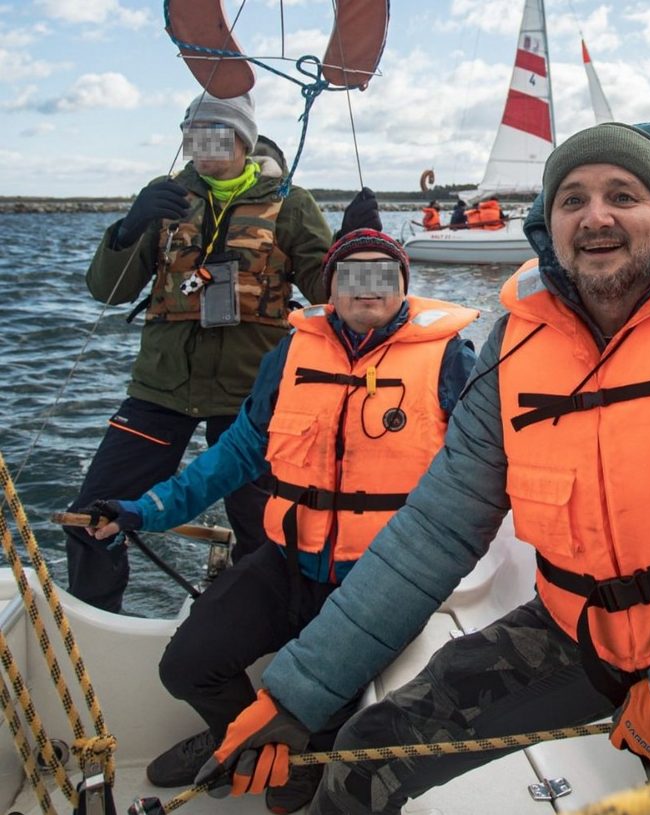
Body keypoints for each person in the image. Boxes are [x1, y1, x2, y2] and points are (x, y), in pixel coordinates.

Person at [192, 121, 650, 813]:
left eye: (623, 195)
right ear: (549, 223)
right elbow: (435, 530)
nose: (596, 215)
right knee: (363, 758)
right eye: (573, 199)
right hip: (576, 629)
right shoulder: (513, 345)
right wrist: (295, 695)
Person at [87, 228, 479, 813]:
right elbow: (237, 454)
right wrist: (146, 510)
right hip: (286, 560)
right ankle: (234, 738)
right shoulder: (293, 354)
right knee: (187, 666)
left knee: (331, 707)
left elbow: (489, 465)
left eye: (382, 275)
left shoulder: (452, 360)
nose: (365, 288)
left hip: (379, 578)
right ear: (330, 288)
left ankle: (300, 764)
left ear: (404, 287)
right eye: (350, 275)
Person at [64, 90, 381, 614]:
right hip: (160, 391)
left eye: (218, 135)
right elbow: (108, 290)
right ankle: (97, 625)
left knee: (268, 531)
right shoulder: (164, 198)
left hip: (250, 399)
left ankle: (257, 631)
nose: (205, 147)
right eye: (194, 136)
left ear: (244, 139)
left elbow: (335, 299)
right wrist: (128, 228)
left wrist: (356, 239)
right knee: (90, 516)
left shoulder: (291, 204)